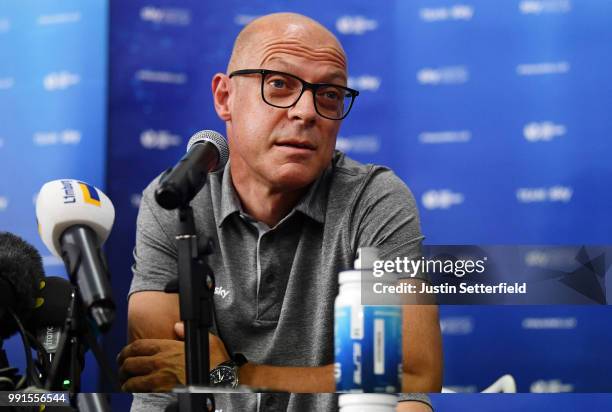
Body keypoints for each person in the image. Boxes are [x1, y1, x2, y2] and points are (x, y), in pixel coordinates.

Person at [119, 12, 442, 412]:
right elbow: (162, 379)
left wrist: (238, 375)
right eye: (279, 84)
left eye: (329, 94)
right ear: (225, 98)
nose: (307, 112)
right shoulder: (176, 200)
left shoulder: (374, 200)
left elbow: (410, 379)